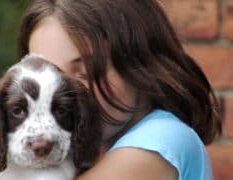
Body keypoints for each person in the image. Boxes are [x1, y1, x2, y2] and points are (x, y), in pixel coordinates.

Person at [17, 0, 222, 179]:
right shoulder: (84, 155)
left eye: (87, 71)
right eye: (49, 76)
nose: (67, 96)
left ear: (140, 62)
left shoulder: (162, 139)